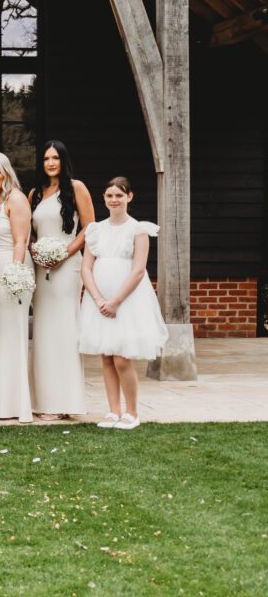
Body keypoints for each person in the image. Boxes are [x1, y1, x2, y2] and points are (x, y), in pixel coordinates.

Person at [80, 177, 168, 430]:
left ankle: (132, 412)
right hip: (99, 299)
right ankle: (113, 410)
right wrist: (97, 298)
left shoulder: (139, 229)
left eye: (119, 195)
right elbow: (86, 267)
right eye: (109, 195)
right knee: (106, 357)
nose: (114, 200)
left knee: (121, 357)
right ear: (104, 199)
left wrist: (116, 301)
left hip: (126, 299)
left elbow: (139, 270)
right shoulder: (95, 230)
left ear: (129, 197)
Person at [28, 140, 94, 421]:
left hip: (67, 269)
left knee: (64, 330)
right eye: (46, 158)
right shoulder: (34, 193)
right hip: (40, 270)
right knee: (43, 332)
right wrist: (35, 250)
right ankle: (45, 399)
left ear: (63, 160)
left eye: (55, 158)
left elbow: (90, 228)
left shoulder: (76, 188)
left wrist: (63, 254)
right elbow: (29, 232)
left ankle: (66, 400)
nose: (51, 163)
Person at [0, 152, 33, 423]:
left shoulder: (16, 199)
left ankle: (13, 404)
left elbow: (20, 241)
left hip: (10, 272)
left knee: (10, 335)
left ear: (6, 172)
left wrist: (15, 274)